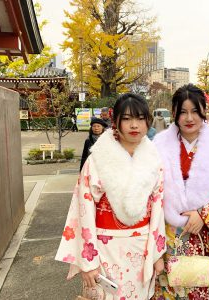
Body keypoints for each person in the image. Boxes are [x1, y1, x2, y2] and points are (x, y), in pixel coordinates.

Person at [56, 93, 166, 300]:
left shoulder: (154, 160)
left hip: (141, 248)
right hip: (104, 248)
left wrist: (157, 254)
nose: (134, 125)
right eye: (126, 119)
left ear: (148, 121)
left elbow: (158, 210)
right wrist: (88, 261)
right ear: (115, 122)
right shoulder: (97, 159)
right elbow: (83, 211)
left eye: (140, 118)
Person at [153, 84, 209, 300]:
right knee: (169, 284)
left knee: (203, 284)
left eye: (195, 111)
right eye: (182, 111)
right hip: (169, 233)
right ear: (174, 113)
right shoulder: (159, 147)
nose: (189, 118)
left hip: (204, 234)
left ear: (204, 111)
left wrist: (203, 214)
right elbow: (150, 189)